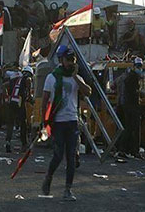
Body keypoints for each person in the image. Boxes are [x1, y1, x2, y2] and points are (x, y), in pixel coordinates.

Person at [41, 46, 92, 201]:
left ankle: (67, 189)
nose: (70, 63)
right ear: (61, 60)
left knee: (71, 157)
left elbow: (88, 92)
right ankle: (48, 177)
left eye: (73, 60)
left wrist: (76, 77)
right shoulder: (53, 77)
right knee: (57, 155)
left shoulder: (75, 77)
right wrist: (45, 123)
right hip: (57, 122)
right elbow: (44, 101)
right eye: (68, 60)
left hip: (72, 121)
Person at [5, 66, 33, 153]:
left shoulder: (15, 78)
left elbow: (5, 86)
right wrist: (29, 95)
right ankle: (24, 144)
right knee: (23, 123)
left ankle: (8, 142)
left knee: (10, 123)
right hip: (20, 102)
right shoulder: (27, 78)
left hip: (12, 101)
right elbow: (28, 81)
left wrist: (7, 96)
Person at [121, 57, 143, 158]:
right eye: (138, 66)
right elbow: (133, 92)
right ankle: (134, 151)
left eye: (140, 66)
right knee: (134, 128)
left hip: (128, 105)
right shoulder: (132, 77)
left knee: (129, 128)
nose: (139, 68)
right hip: (132, 105)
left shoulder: (131, 76)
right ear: (134, 66)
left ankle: (125, 150)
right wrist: (139, 93)